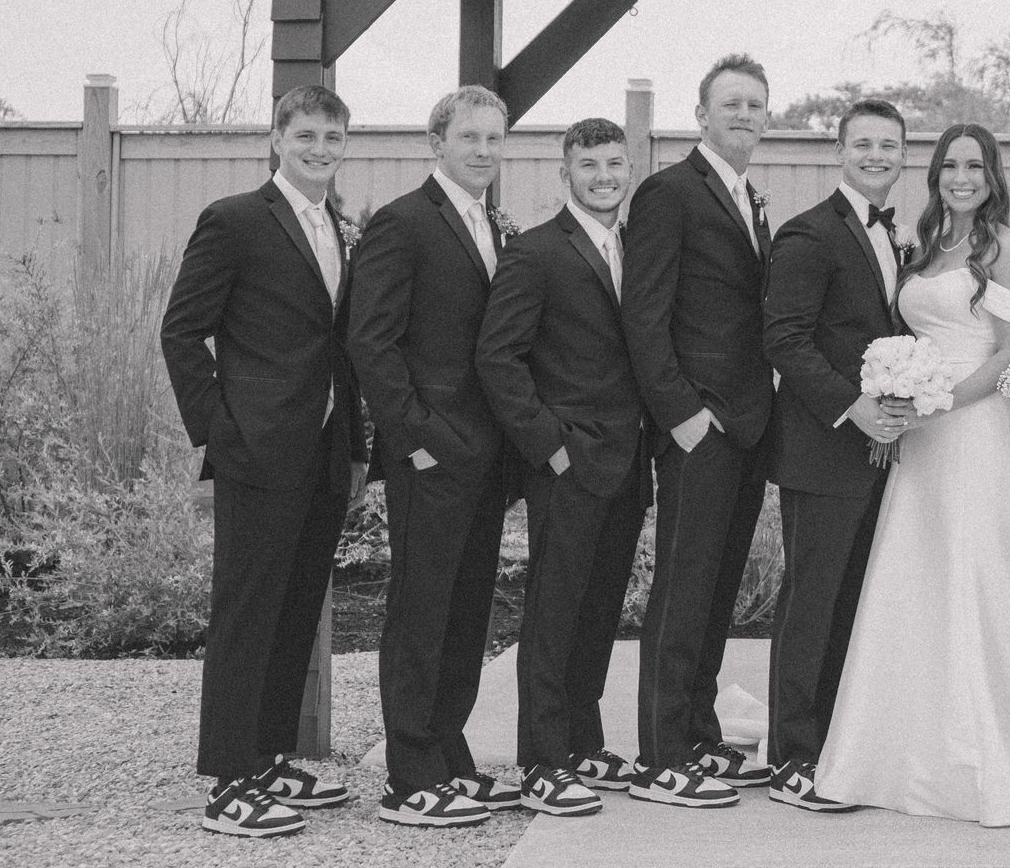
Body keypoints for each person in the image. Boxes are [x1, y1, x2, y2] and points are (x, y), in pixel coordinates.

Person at [816, 124, 1010, 827]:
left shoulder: (1006, 248)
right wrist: (902, 394)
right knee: (912, 582)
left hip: (977, 432)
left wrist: (940, 402)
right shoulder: (922, 247)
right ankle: (889, 756)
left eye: (974, 166)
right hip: (918, 442)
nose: (961, 177)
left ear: (992, 175)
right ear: (936, 175)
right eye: (950, 165)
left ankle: (983, 761)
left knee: (977, 581)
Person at [160, 84, 364, 838]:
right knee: (247, 613)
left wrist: (356, 446)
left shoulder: (340, 225)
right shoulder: (235, 220)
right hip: (257, 449)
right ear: (278, 138)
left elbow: (338, 344)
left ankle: (270, 758)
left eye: (332, 138)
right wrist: (220, 433)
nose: (319, 149)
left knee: (295, 607)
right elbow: (182, 332)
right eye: (305, 135)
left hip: (324, 449)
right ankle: (228, 782)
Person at [348, 85, 521, 828]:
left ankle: (449, 755)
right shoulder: (403, 222)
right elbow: (371, 343)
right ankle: (409, 777)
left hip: (487, 457)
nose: (483, 150)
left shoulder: (494, 225)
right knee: (421, 612)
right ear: (437, 143)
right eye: (469, 137)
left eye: (494, 138)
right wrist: (413, 441)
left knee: (466, 612)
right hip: (430, 456)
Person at [476, 118, 654, 820]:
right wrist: (549, 446)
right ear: (565, 174)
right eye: (589, 165)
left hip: (629, 460)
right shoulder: (537, 251)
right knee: (554, 614)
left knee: (599, 608)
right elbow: (499, 357)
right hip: (567, 460)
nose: (604, 177)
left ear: (629, 169)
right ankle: (542, 763)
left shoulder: (637, 247)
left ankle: (582, 743)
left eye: (614, 164)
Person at [622, 54, 777, 807]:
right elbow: (643, 315)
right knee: (683, 590)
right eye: (731, 103)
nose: (744, 114)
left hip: (747, 429)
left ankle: (698, 732)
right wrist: (681, 416)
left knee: (716, 593)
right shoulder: (669, 193)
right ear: (702, 114)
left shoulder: (750, 199)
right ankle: (662, 755)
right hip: (698, 427)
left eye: (755, 104)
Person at [762, 99, 913, 812]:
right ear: (840, 152)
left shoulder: (898, 237)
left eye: (889, 145)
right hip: (823, 449)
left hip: (881, 452)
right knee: (811, 602)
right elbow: (784, 339)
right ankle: (791, 758)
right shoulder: (809, 233)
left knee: (852, 602)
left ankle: (832, 745)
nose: (876, 155)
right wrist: (855, 408)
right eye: (864, 144)